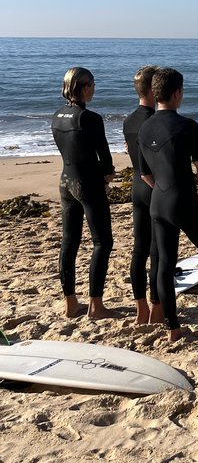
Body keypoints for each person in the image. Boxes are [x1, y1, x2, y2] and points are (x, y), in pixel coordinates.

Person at [138, 67, 198, 342]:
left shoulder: (145, 127)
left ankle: (173, 328)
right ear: (178, 93)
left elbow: (145, 173)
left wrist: (162, 191)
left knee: (164, 265)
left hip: (158, 203)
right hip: (184, 201)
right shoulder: (187, 126)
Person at [51, 67, 114, 319]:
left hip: (65, 182)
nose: (94, 89)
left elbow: (70, 151)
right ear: (85, 87)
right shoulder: (90, 118)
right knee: (103, 242)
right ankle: (96, 305)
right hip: (87, 184)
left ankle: (70, 303)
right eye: (93, 84)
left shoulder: (57, 116)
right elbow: (104, 155)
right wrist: (107, 174)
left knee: (69, 242)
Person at [122, 65, 162, 325]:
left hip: (136, 185)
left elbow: (131, 152)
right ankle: (156, 308)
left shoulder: (128, 120)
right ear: (151, 89)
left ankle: (140, 309)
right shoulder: (155, 121)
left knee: (139, 250)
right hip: (155, 187)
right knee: (157, 250)